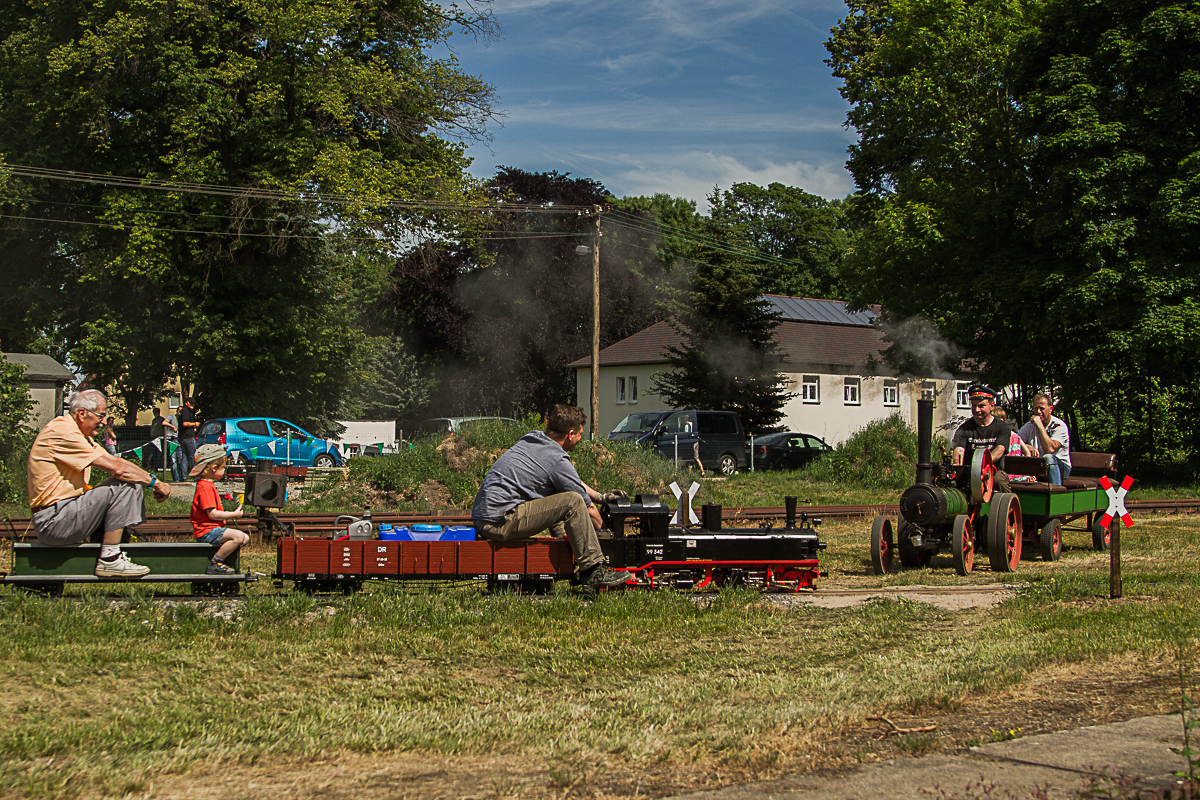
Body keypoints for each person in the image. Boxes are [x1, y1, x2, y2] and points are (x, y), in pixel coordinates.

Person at [472, 404, 631, 590]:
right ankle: (593, 570)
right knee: (572, 501)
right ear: (570, 434)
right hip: (499, 522)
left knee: (560, 494)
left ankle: (568, 557)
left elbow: (572, 481)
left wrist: (601, 497)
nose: (581, 439)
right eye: (580, 434)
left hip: (489, 516)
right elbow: (587, 507)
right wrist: (608, 538)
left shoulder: (535, 438)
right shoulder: (556, 459)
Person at [28, 389, 172, 577]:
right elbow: (117, 470)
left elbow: (118, 462)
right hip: (54, 521)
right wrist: (155, 483)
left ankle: (111, 545)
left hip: (63, 514)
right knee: (125, 485)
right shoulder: (63, 432)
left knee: (132, 480)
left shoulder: (79, 434)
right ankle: (110, 559)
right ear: (82, 414)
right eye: (101, 416)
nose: (104, 421)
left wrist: (152, 480)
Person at [189, 444, 248, 575]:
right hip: (207, 531)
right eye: (223, 467)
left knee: (244, 538)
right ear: (214, 468)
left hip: (210, 529)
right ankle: (215, 563)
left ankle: (222, 560)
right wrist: (233, 514)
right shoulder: (205, 487)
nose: (224, 470)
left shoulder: (206, 485)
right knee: (238, 537)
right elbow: (213, 514)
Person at [951, 384, 1012, 491]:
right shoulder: (964, 429)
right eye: (974, 405)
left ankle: (1005, 504)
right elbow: (959, 451)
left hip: (993, 472)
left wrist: (980, 465)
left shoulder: (1002, 427)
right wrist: (957, 466)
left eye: (981, 406)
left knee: (999, 481)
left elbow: (1000, 450)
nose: (977, 409)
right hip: (968, 472)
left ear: (992, 406)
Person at [1018, 393, 1072, 485]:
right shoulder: (1029, 426)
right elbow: (1015, 441)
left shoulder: (1059, 426)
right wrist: (1027, 447)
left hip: (1061, 467)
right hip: (1038, 466)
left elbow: (1050, 449)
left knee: (1048, 458)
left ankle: (1056, 491)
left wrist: (1040, 426)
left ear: (1050, 409)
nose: (1038, 412)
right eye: (1036, 408)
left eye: (1042, 409)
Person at [177, 396, 198, 475]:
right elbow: (185, 423)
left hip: (182, 437)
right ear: (186, 403)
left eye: (193, 403)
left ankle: (183, 476)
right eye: (191, 403)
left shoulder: (183, 411)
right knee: (192, 456)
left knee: (184, 457)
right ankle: (194, 475)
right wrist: (194, 424)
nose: (193, 404)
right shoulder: (185, 411)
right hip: (188, 437)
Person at [165, 410, 185, 482]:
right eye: (179, 411)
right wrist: (172, 426)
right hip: (172, 440)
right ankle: (175, 478)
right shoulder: (171, 417)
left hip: (180, 440)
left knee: (181, 460)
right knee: (173, 461)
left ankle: (181, 477)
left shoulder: (183, 420)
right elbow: (164, 422)